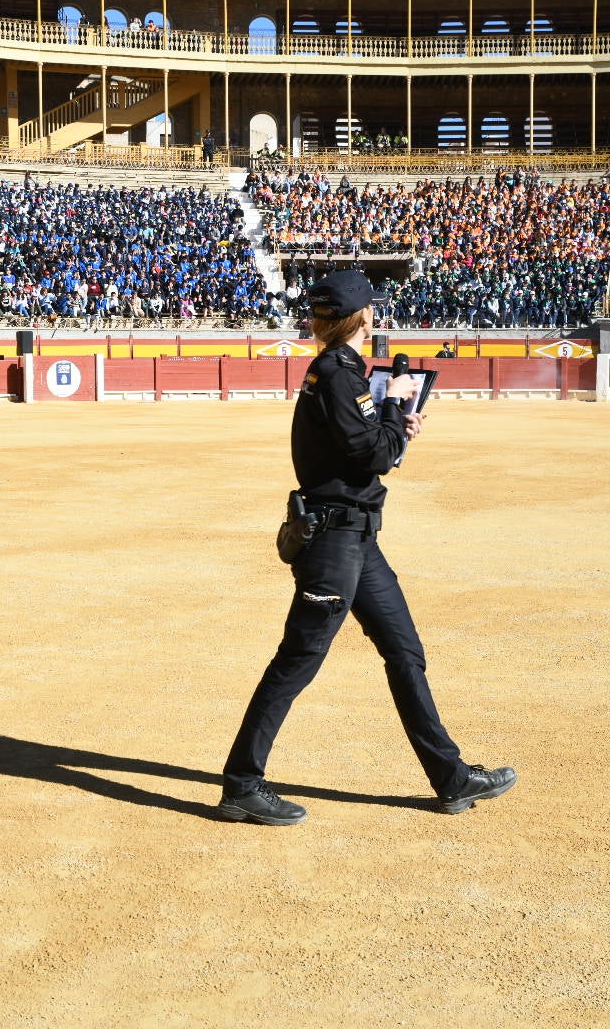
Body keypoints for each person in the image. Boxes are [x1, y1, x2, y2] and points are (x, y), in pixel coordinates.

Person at [218, 269, 516, 826]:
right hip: (334, 543)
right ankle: (240, 784)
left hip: (355, 537)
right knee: (297, 661)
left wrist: (391, 421)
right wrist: (397, 418)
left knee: (405, 651)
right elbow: (373, 454)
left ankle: (450, 778)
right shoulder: (338, 372)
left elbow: (363, 448)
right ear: (365, 317)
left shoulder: (335, 370)